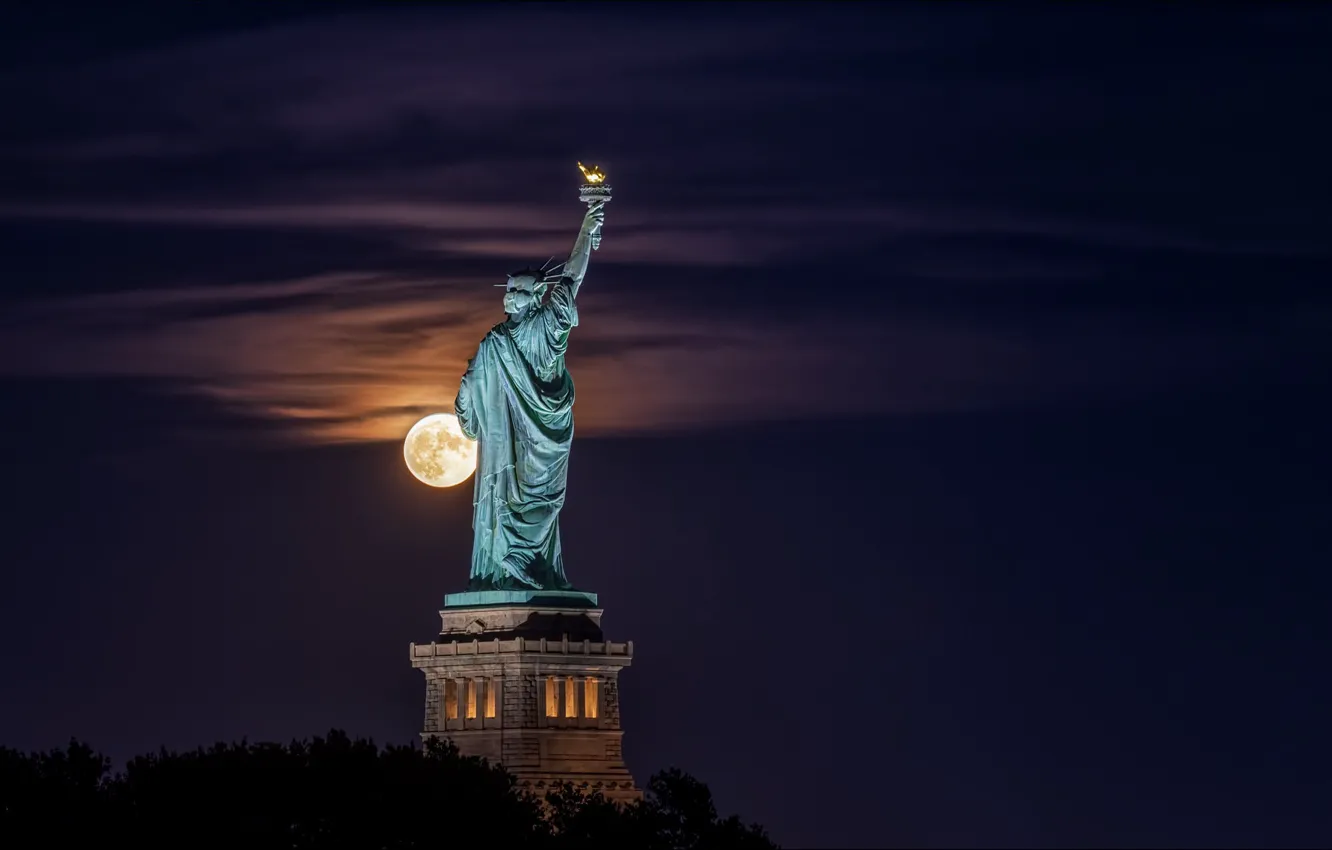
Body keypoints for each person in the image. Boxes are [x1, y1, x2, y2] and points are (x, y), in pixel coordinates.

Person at [453, 199, 606, 590]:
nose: (508, 297)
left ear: (536, 295)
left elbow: (571, 278)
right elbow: (471, 421)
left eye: (517, 292)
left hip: (543, 438)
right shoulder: (492, 344)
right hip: (507, 444)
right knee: (507, 499)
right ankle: (504, 569)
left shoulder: (545, 329)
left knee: (540, 504)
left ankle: (530, 568)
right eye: (507, 291)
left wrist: (586, 233)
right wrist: (467, 392)